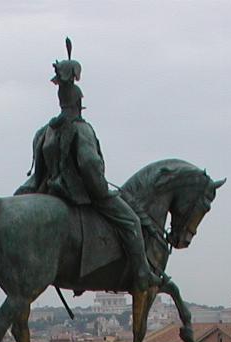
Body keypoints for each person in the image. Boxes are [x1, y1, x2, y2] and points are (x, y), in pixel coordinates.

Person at [14, 40, 161, 291]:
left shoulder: (45, 132)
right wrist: (103, 190)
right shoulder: (81, 130)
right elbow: (90, 165)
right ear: (78, 99)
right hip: (80, 195)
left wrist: (21, 197)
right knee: (132, 222)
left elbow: (37, 174)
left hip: (50, 190)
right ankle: (142, 272)